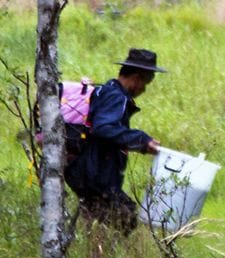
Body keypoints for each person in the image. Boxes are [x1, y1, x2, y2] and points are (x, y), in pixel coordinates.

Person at [64, 48, 163, 234]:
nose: (145, 88)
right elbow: (104, 128)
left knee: (98, 224)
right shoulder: (116, 97)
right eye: (147, 81)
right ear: (136, 78)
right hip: (94, 176)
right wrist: (142, 140)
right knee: (127, 220)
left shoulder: (105, 91)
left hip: (83, 171)